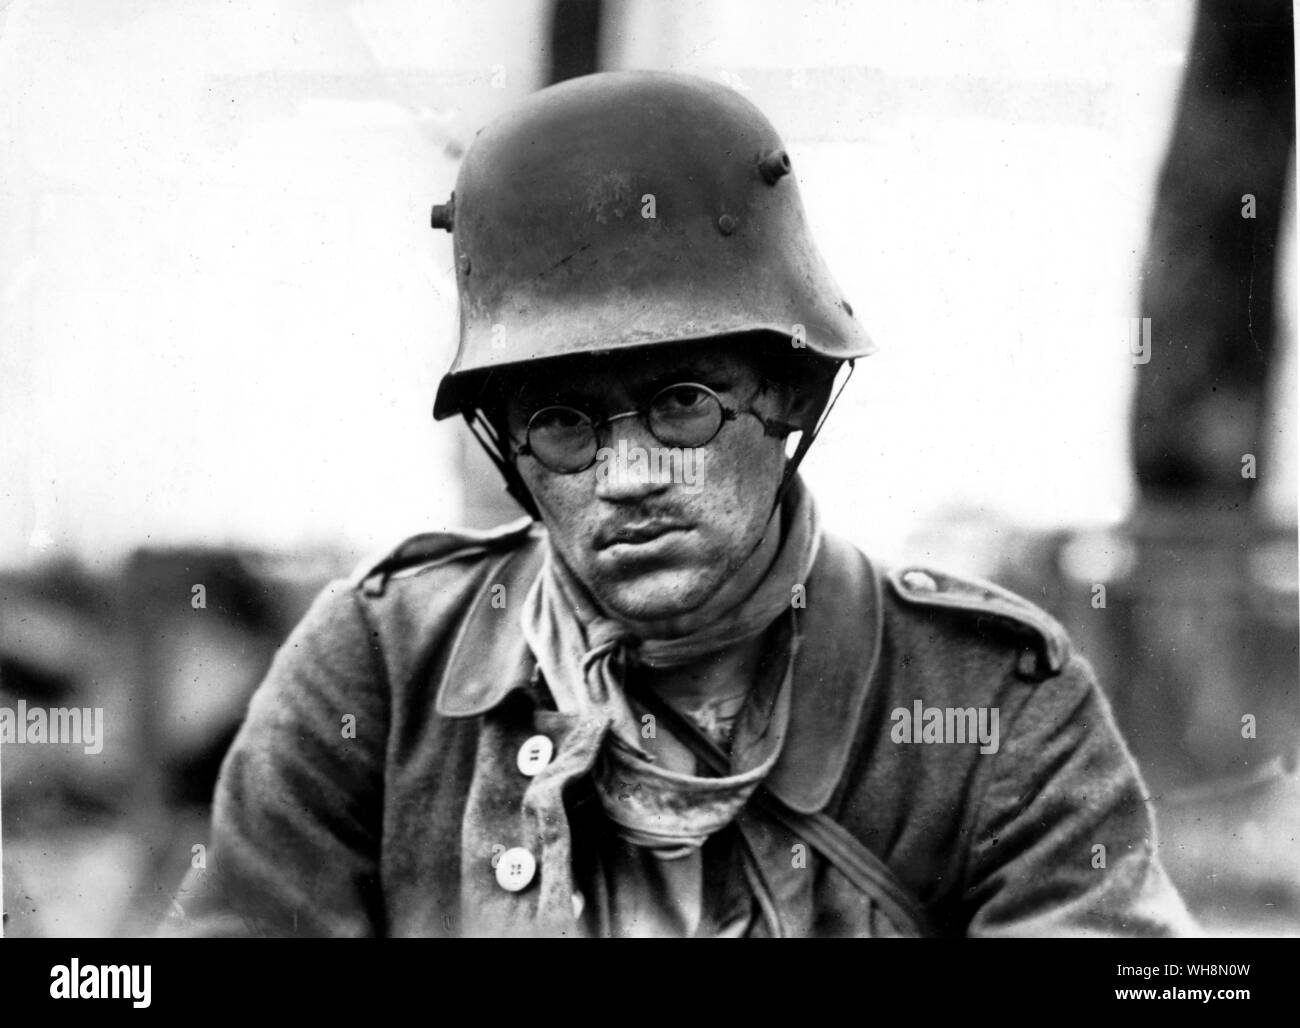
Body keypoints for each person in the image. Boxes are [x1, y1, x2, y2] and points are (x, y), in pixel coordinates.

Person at [166, 70, 1195, 938]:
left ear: (791, 391)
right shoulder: (382, 666)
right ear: (505, 438)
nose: (625, 475)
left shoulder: (993, 705)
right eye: (565, 422)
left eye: (681, 405)